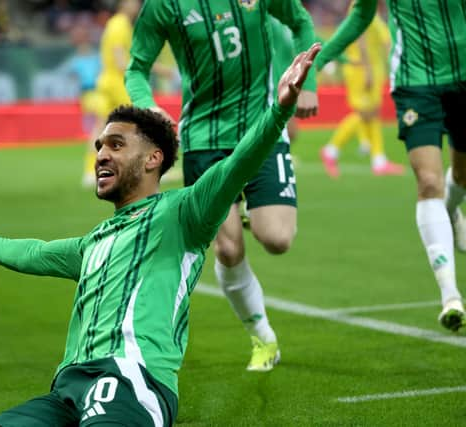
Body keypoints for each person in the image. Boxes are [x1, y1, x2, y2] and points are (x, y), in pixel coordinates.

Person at [0, 44, 321, 427]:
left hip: (132, 378)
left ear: (153, 159)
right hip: (67, 388)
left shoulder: (183, 214)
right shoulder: (94, 242)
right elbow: (36, 252)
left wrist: (280, 109)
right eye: (99, 146)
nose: (101, 155)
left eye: (116, 144)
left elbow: (236, 165)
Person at [125, 0, 319, 371]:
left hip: (262, 129)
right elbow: (136, 68)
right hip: (203, 140)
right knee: (228, 250)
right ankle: (262, 336)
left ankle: (246, 205)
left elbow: (300, 21)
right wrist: (148, 106)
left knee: (278, 239)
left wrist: (306, 82)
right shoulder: (164, 7)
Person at [315, 0, 466, 331]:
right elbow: (361, 14)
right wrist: (319, 61)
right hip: (416, 81)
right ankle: (450, 294)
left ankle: (451, 209)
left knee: (462, 176)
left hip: (463, 76)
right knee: (428, 180)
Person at [320, 12, 404, 178]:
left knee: (373, 113)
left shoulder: (371, 9)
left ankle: (378, 159)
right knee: (364, 113)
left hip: (371, 68)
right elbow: (361, 39)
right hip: (361, 69)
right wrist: (367, 69)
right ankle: (332, 149)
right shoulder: (360, 8)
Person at [82, 0, 142, 187]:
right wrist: (142, 71)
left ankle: (89, 170)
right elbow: (120, 60)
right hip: (118, 83)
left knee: (101, 126)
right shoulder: (120, 25)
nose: (138, 4)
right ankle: (140, 169)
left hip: (107, 81)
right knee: (137, 124)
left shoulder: (116, 23)